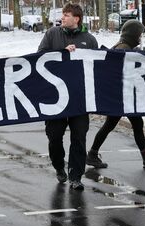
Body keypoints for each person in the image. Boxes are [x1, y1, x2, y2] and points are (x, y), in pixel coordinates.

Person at [86, 20, 145, 169]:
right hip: (122, 97)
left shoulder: (123, 47)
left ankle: (93, 153)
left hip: (122, 96)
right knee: (128, 124)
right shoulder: (123, 49)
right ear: (132, 35)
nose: (140, 37)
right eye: (139, 34)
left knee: (121, 124)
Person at [37, 3, 99, 190]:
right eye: (62, 14)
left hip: (79, 99)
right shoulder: (52, 34)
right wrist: (62, 53)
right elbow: (39, 58)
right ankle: (58, 166)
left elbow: (97, 67)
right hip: (55, 99)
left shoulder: (89, 39)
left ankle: (76, 176)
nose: (62, 17)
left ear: (77, 18)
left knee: (79, 138)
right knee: (54, 137)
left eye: (66, 14)